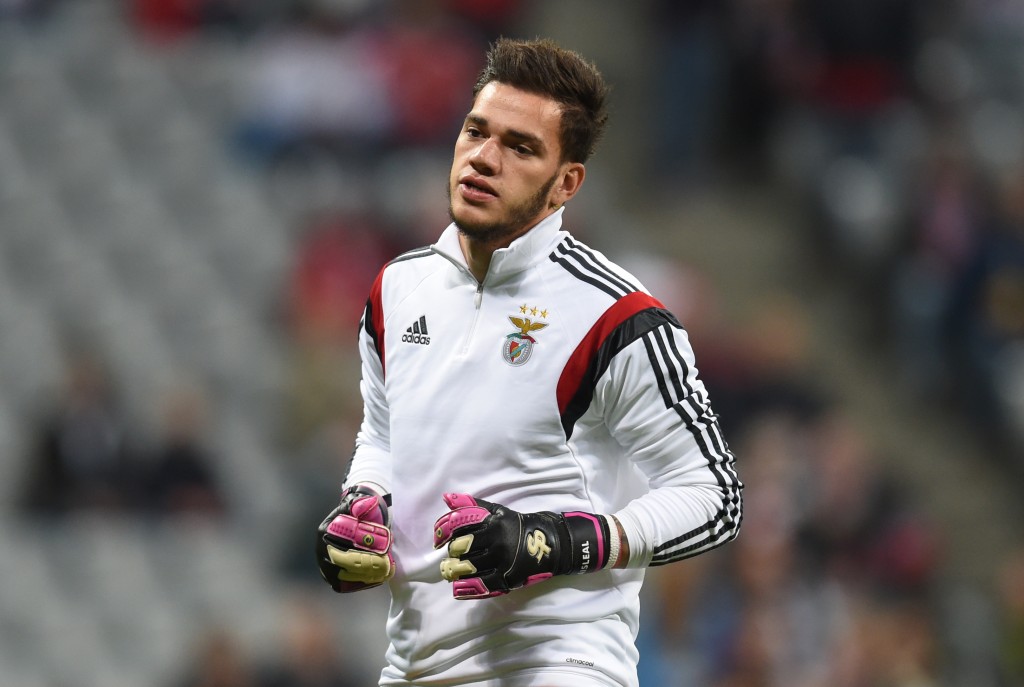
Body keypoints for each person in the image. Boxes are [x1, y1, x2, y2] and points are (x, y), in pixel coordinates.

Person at [315, 37, 743, 687]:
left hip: (562, 663)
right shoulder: (397, 290)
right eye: (477, 132)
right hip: (413, 665)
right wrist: (365, 505)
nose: (484, 158)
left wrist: (564, 539)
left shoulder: (619, 318)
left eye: (520, 147)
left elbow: (716, 497)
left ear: (565, 183)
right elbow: (382, 435)